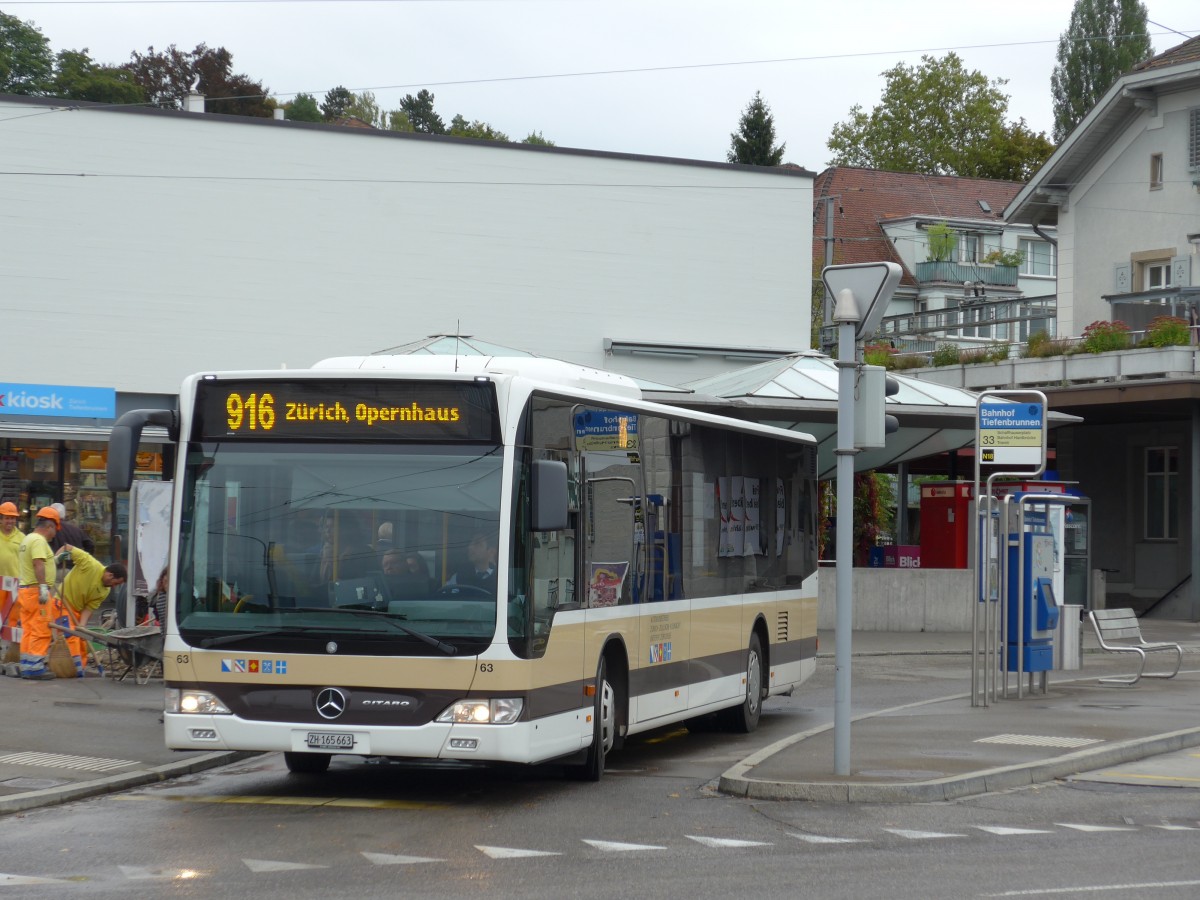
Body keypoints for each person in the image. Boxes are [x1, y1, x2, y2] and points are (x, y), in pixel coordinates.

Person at [55, 545, 127, 675]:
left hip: (76, 611)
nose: (114, 586)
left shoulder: (105, 591)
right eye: (115, 583)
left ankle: (80, 668)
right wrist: (56, 560)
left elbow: (89, 608)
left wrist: (82, 626)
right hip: (61, 604)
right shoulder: (90, 564)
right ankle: (74, 669)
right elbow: (67, 547)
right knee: (71, 636)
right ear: (110, 575)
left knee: (81, 638)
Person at [15, 507, 64, 680]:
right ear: (49, 526)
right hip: (36, 592)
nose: (54, 535)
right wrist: (43, 587)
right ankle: (35, 668)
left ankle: (27, 665)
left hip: (26, 591)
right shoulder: (38, 541)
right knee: (41, 629)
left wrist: (55, 560)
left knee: (28, 629)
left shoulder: (28, 538)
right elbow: (38, 564)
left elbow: (39, 562)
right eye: (54, 531)